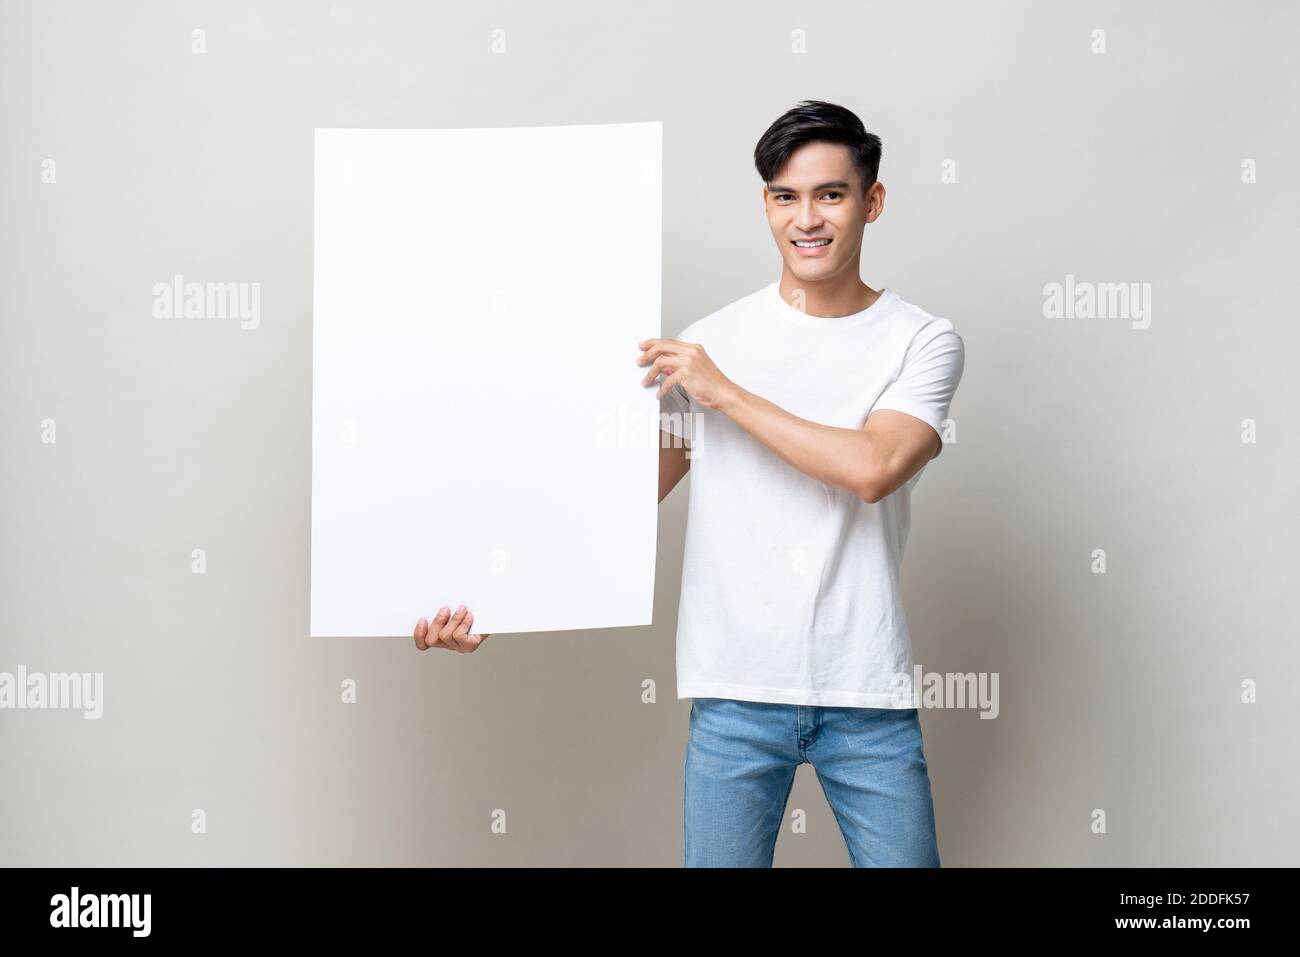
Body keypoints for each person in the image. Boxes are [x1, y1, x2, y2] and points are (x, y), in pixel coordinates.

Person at [415, 100, 965, 868]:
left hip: (866, 692)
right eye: (785, 195)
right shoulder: (711, 340)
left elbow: (874, 467)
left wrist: (727, 394)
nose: (807, 218)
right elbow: (616, 505)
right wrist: (486, 598)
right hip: (734, 694)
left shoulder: (921, 339)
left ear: (871, 201)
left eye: (831, 194)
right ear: (767, 204)